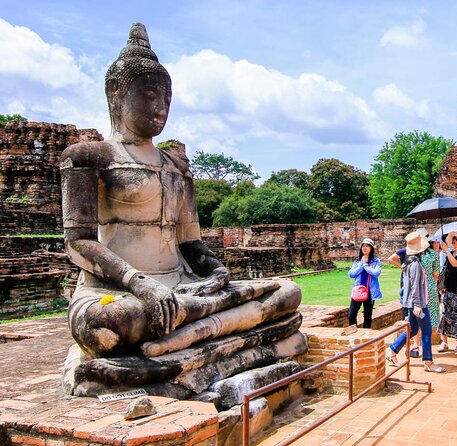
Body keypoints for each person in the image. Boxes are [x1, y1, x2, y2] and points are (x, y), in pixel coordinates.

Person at [59, 24, 301, 359]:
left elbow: (190, 242)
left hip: (184, 286)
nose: (160, 108)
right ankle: (206, 330)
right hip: (119, 292)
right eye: (149, 96)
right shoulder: (89, 158)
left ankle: (186, 334)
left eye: (166, 98)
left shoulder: (178, 168)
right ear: (115, 91)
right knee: (109, 323)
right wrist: (140, 283)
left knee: (287, 292)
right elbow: (78, 243)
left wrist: (215, 269)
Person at [387, 232, 444, 373]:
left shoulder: (408, 262)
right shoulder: (415, 264)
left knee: (412, 329)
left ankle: (392, 351)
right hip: (419, 303)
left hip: (414, 302)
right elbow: (415, 287)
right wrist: (418, 305)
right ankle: (428, 362)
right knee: (426, 331)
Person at [347, 238, 382, 328]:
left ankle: (365, 335)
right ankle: (353, 333)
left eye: (367, 246)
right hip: (358, 291)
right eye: (363, 246)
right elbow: (351, 274)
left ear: (371, 248)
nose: (364, 248)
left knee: (367, 316)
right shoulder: (357, 261)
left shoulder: (375, 261)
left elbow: (376, 273)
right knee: (351, 314)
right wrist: (361, 265)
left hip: (370, 292)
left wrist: (365, 265)